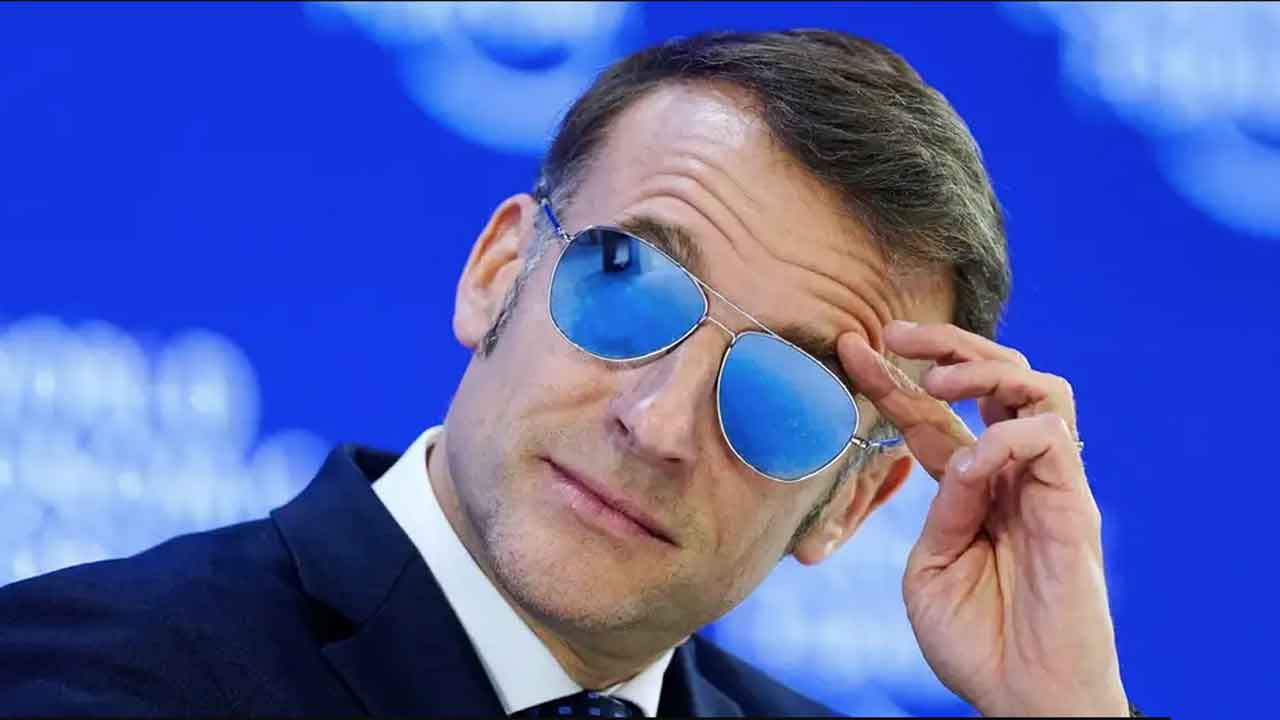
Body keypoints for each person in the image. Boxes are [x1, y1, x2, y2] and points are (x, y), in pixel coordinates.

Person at [0, 29, 1141, 717]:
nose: (659, 423)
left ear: (851, 502)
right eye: (626, 286)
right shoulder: (90, 676)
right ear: (496, 272)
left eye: (785, 394)